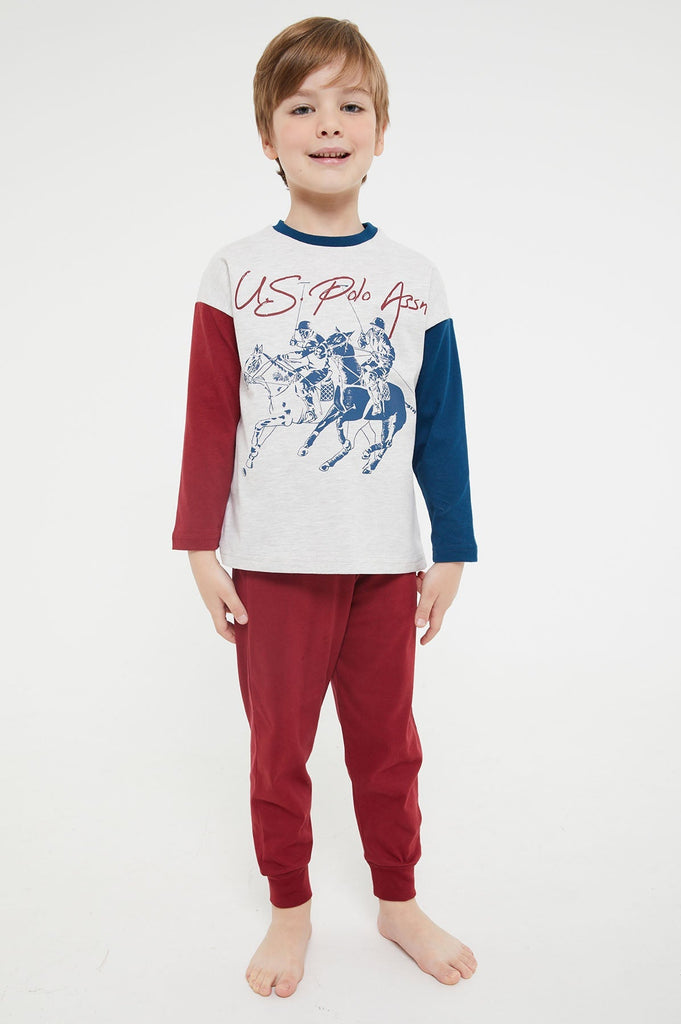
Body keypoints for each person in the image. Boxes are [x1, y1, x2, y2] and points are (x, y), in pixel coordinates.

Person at [172, 16, 479, 999]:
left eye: (350, 105)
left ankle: (397, 900)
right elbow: (211, 416)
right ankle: (290, 908)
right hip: (271, 565)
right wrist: (200, 547)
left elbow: (439, 423)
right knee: (279, 749)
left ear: (380, 130)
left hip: (385, 564)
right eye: (302, 107)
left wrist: (450, 545)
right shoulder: (235, 270)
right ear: (268, 135)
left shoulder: (413, 279)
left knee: (388, 748)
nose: (329, 124)